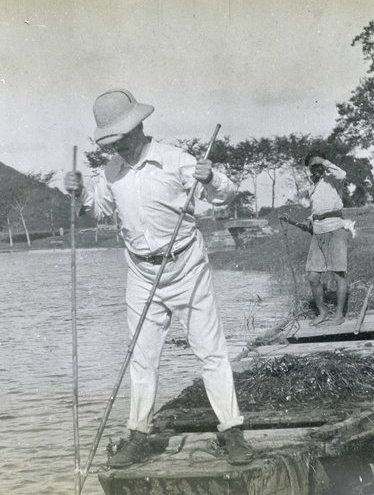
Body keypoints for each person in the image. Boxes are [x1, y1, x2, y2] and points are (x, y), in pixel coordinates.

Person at [64, 88, 253, 468]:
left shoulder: (174, 159)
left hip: (186, 266)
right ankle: (138, 435)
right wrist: (80, 192)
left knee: (209, 350)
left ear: (138, 126)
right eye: (112, 141)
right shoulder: (112, 169)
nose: (119, 146)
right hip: (140, 270)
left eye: (122, 137)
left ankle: (232, 432)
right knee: (141, 355)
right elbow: (98, 209)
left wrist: (211, 176)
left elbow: (223, 196)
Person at [304, 150, 349, 326]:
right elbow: (317, 208)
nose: (314, 170)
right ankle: (322, 312)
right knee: (313, 276)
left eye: (317, 166)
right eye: (311, 167)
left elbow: (342, 174)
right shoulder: (312, 187)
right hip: (318, 231)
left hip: (336, 228)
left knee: (338, 273)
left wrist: (324, 162)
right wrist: (310, 219)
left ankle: (339, 314)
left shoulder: (333, 178)